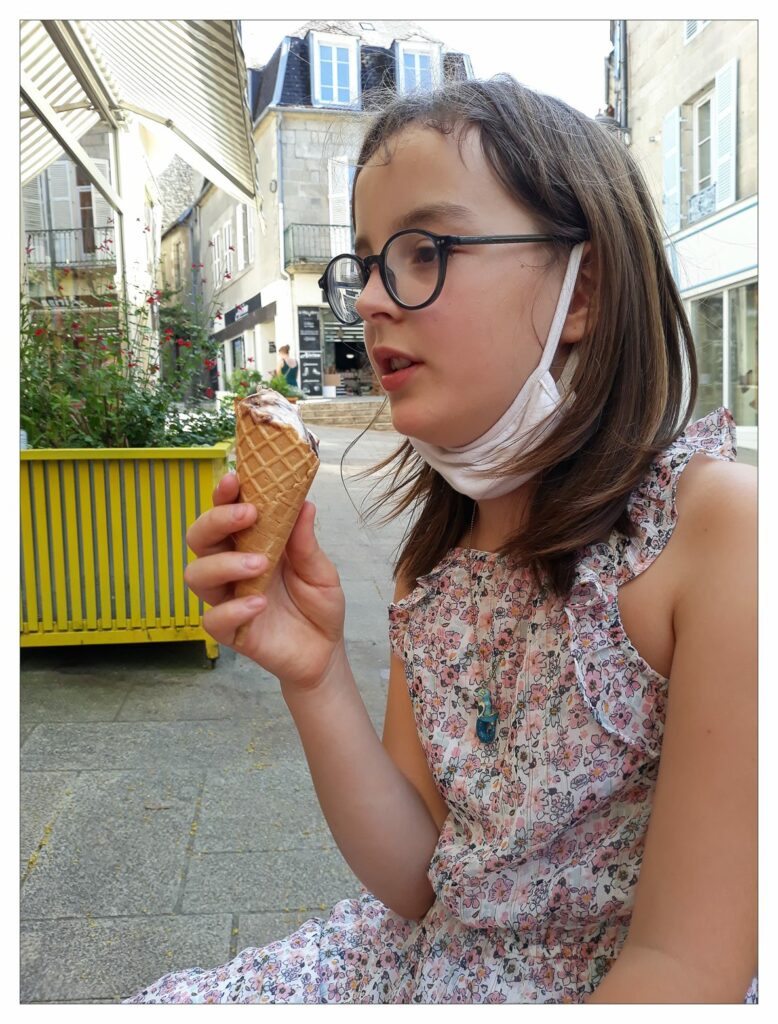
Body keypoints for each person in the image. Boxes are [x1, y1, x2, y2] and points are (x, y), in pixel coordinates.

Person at [125, 77, 757, 1004]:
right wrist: (315, 674)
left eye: (423, 251)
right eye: (366, 265)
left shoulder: (719, 538)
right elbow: (422, 883)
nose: (371, 301)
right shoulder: (435, 562)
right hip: (423, 963)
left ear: (583, 290)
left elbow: (686, 969)